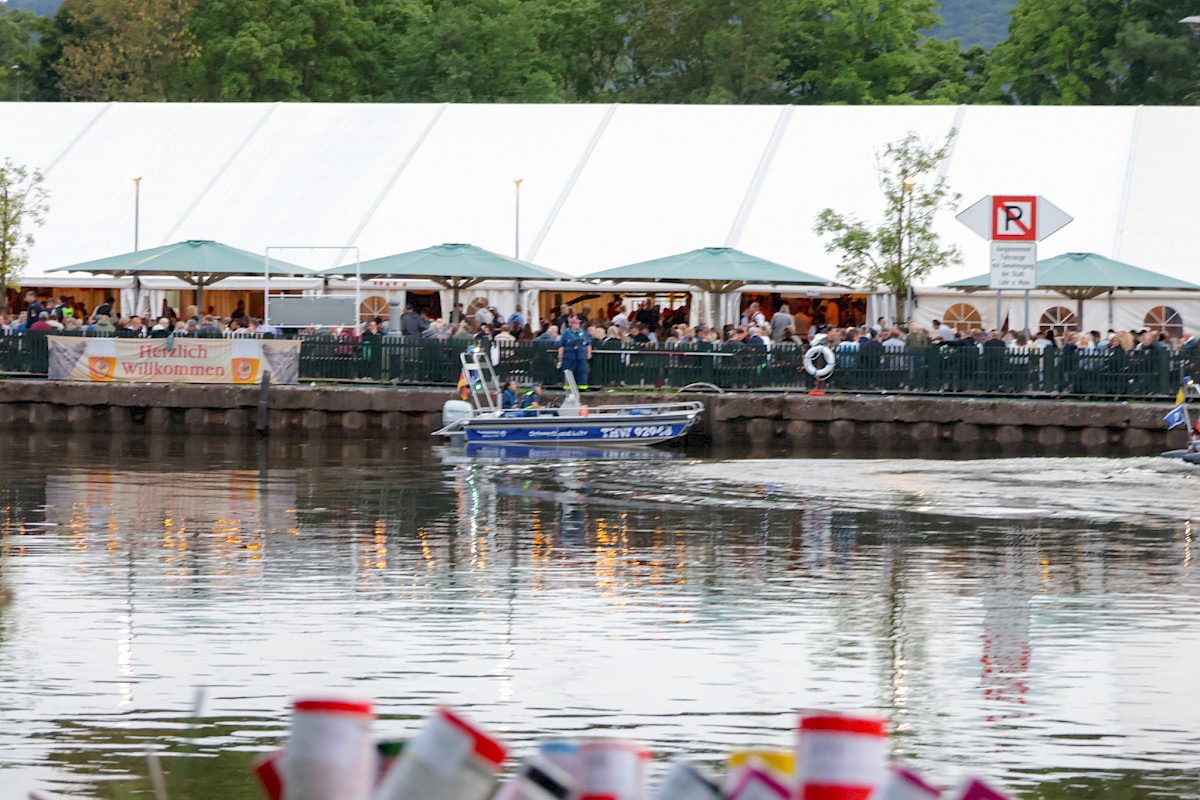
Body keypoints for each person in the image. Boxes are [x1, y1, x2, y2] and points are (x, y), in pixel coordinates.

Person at [558, 316, 593, 388]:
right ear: (571, 324)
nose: (578, 325)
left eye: (578, 323)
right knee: (568, 371)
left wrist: (589, 352)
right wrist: (560, 354)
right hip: (569, 356)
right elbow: (562, 345)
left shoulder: (582, 332)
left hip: (581, 355)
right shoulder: (566, 333)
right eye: (576, 323)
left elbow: (587, 343)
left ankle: (582, 386)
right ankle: (568, 386)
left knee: (582, 370)